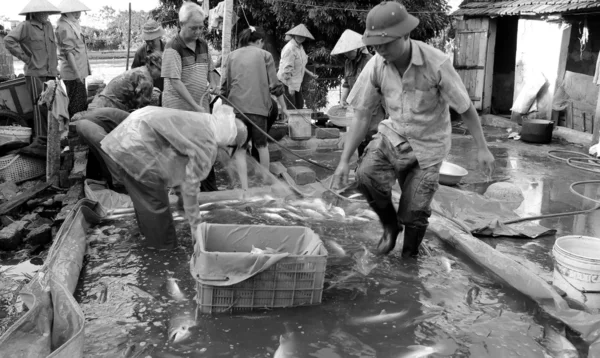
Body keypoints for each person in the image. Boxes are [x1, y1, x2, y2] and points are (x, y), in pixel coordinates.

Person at [332, 2, 495, 258]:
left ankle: (409, 256)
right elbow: (362, 114)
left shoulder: (436, 64)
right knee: (365, 176)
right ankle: (390, 226)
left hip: (429, 145)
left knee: (415, 211)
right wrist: (344, 161)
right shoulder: (376, 64)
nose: (380, 50)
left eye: (386, 44)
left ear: (406, 35)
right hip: (392, 135)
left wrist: (483, 148)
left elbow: (465, 109)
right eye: (375, 45)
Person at [100, 104, 248, 249]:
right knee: (156, 206)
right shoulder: (208, 144)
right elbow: (190, 186)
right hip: (137, 147)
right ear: (229, 142)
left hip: (124, 139)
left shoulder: (204, 122)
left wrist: (181, 200)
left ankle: (147, 241)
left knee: (144, 202)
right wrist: (196, 227)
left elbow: (177, 165)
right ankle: (163, 254)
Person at [162, 2, 220, 192]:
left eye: (201, 27)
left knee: (206, 147)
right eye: (193, 28)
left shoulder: (203, 45)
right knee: (181, 153)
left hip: (200, 108)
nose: (198, 32)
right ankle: (178, 194)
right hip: (179, 111)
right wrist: (195, 106)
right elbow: (176, 83)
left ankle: (209, 193)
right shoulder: (173, 48)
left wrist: (213, 83)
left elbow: (211, 70)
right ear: (181, 24)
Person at [220, 26, 290, 172]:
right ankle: (264, 179)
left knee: (240, 147)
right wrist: (284, 108)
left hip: (237, 109)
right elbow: (275, 85)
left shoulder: (231, 56)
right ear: (259, 41)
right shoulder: (265, 55)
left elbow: (225, 86)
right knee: (262, 146)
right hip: (259, 109)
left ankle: (242, 182)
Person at [4, 0, 61, 158]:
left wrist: (57, 69)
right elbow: (9, 40)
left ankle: (52, 136)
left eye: (48, 13)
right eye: (43, 13)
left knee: (52, 105)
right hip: (35, 72)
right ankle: (40, 139)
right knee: (39, 104)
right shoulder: (25, 26)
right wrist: (25, 58)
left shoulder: (49, 26)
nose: (46, 15)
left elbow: (52, 49)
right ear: (35, 13)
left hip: (51, 72)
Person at [331, 29, 387, 157]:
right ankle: (361, 164)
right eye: (345, 52)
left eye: (349, 51)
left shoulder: (370, 61)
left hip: (374, 108)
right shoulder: (348, 63)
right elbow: (346, 82)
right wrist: (343, 99)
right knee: (358, 137)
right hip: (357, 107)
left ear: (358, 49)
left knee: (372, 136)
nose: (347, 54)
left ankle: (372, 165)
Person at [76, 108, 130, 191]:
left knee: (102, 157)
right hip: (91, 126)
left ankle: (109, 180)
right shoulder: (135, 122)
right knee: (110, 155)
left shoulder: (130, 117)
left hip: (81, 125)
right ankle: (120, 186)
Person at [88, 52, 162, 111]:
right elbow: (141, 110)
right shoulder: (146, 80)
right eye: (159, 70)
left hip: (101, 101)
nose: (160, 74)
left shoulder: (140, 70)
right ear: (152, 65)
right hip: (109, 107)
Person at [55, 0, 92, 118]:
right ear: (67, 12)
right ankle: (75, 130)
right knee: (77, 105)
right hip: (73, 73)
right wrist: (77, 74)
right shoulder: (64, 26)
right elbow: (68, 52)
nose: (77, 14)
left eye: (79, 11)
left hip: (78, 71)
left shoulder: (72, 24)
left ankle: (76, 128)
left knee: (80, 102)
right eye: (74, 11)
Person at [277, 24, 318, 110]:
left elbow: (300, 64)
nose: (301, 37)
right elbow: (287, 68)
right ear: (294, 35)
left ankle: (296, 123)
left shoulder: (300, 47)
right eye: (299, 35)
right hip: (286, 82)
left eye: (303, 36)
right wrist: (290, 86)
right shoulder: (290, 48)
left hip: (296, 81)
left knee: (299, 104)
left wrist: (310, 73)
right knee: (291, 107)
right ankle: (289, 123)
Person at [132, 19, 165, 92]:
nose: (150, 44)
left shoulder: (169, 49)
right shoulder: (140, 53)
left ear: (159, 37)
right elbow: (134, 75)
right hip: (147, 92)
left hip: (166, 91)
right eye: (147, 41)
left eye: (152, 41)